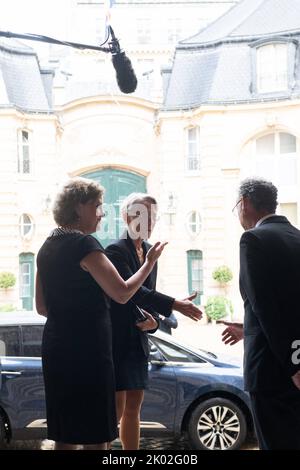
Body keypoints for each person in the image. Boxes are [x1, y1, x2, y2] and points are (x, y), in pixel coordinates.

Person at [35, 178, 167, 450]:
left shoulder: (46, 248)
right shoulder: (84, 245)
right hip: (89, 353)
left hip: (57, 350)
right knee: (98, 435)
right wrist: (150, 263)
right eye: (97, 206)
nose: (102, 213)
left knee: (65, 433)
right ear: (79, 207)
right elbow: (122, 292)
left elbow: (42, 307)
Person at [105, 193, 202, 450]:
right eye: (144, 215)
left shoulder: (149, 251)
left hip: (138, 340)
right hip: (116, 341)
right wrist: (175, 305)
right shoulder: (115, 251)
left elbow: (146, 299)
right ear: (127, 217)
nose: (150, 222)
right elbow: (133, 292)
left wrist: (156, 323)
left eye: (154, 217)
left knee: (134, 408)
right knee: (114, 410)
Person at [220, 177, 300, 450]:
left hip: (270, 369)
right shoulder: (296, 237)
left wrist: (292, 367)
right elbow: (289, 305)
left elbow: (263, 304)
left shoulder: (253, 238)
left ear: (244, 204)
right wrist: (247, 328)